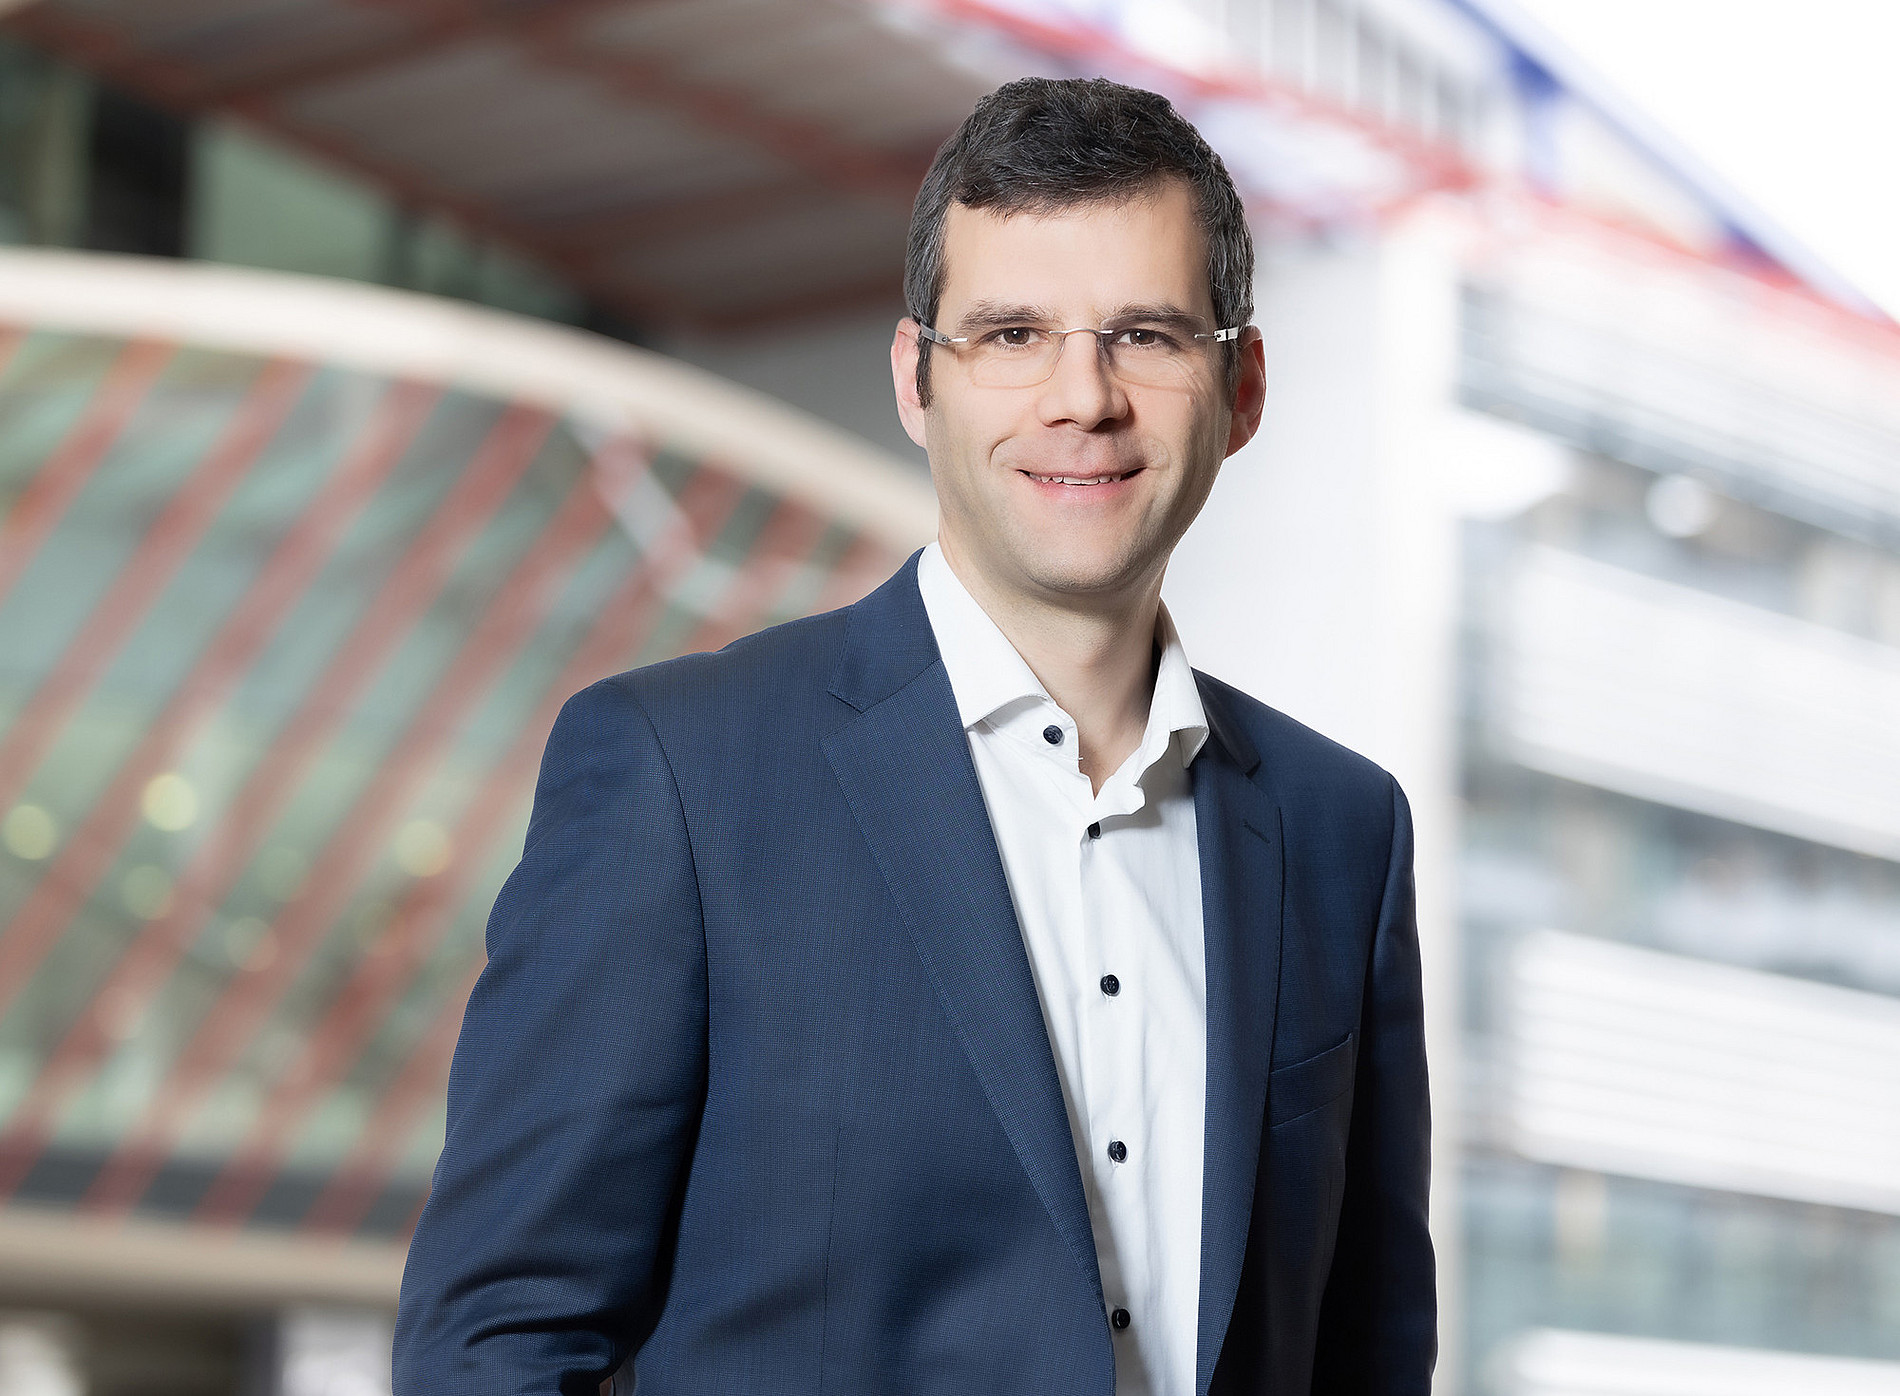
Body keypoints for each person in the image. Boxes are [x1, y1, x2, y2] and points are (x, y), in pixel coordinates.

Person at [394, 76, 1434, 1396]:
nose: (1083, 398)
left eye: (1148, 336)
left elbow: (1370, 1349)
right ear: (915, 381)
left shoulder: (1346, 832)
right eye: (1010, 334)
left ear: (1240, 388)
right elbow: (496, 1342)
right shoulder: (679, 777)